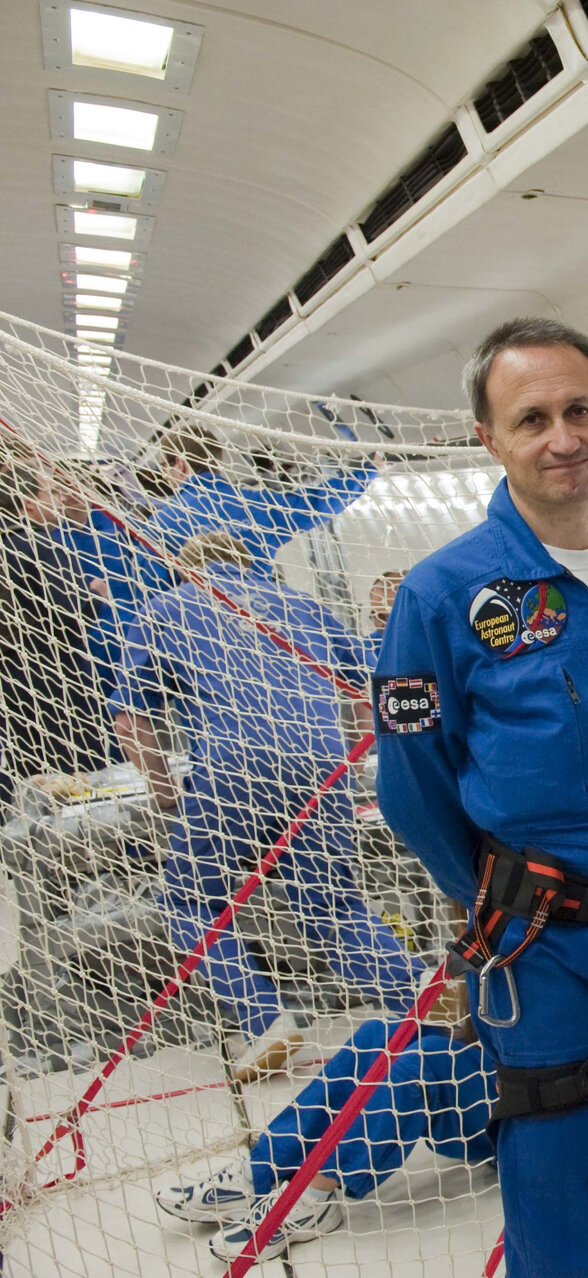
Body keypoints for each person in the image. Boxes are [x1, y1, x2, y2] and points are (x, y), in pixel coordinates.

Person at [373, 317, 588, 1278]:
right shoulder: (442, 596)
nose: (563, 436)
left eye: (579, 411)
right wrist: (494, 891)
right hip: (547, 950)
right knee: (572, 1207)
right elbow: (413, 787)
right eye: (532, 418)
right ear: (488, 437)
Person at [112, 532, 423, 1082]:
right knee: (333, 905)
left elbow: (131, 720)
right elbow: (369, 695)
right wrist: (352, 761)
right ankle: (419, 995)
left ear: (187, 571)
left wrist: (166, 794)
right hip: (320, 761)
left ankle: (264, 1022)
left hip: (233, 761)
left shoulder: (168, 605)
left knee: (189, 901)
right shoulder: (306, 606)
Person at [156, 984, 495, 1262]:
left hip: (531, 1107)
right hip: (499, 1064)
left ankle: (313, 1199)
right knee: (380, 1035)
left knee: (421, 1064)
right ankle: (260, 1171)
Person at [137, 421, 379, 594]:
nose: (164, 476)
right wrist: (367, 470)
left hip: (196, 632)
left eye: (163, 467)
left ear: (179, 464)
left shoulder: (159, 525)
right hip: (259, 618)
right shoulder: (260, 503)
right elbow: (319, 501)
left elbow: (149, 589)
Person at [0, 455, 113, 800]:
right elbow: (68, 611)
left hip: (13, 691)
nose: (60, 498)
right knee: (81, 786)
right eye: (51, 491)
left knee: (36, 788)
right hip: (59, 687)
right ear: (28, 504)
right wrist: (95, 593)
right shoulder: (39, 546)